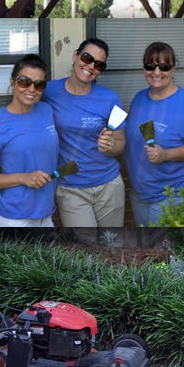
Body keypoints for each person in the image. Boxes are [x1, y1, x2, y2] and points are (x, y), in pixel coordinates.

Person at [41, 37, 126, 228]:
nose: (90, 66)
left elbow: (120, 142)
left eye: (99, 64)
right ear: (75, 56)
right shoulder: (49, 91)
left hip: (109, 185)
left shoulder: (110, 98)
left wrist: (111, 146)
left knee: (111, 243)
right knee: (84, 244)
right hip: (71, 187)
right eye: (87, 58)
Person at [124, 41, 184, 226]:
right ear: (144, 68)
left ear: (173, 69)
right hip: (141, 195)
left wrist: (166, 155)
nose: (157, 72)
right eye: (151, 65)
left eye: (164, 66)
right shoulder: (139, 98)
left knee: (164, 250)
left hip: (173, 195)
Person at [0, 54, 59, 227]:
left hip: (46, 215)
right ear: (12, 82)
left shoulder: (46, 110)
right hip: (14, 219)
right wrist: (23, 178)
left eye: (39, 84)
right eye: (24, 82)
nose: (31, 89)